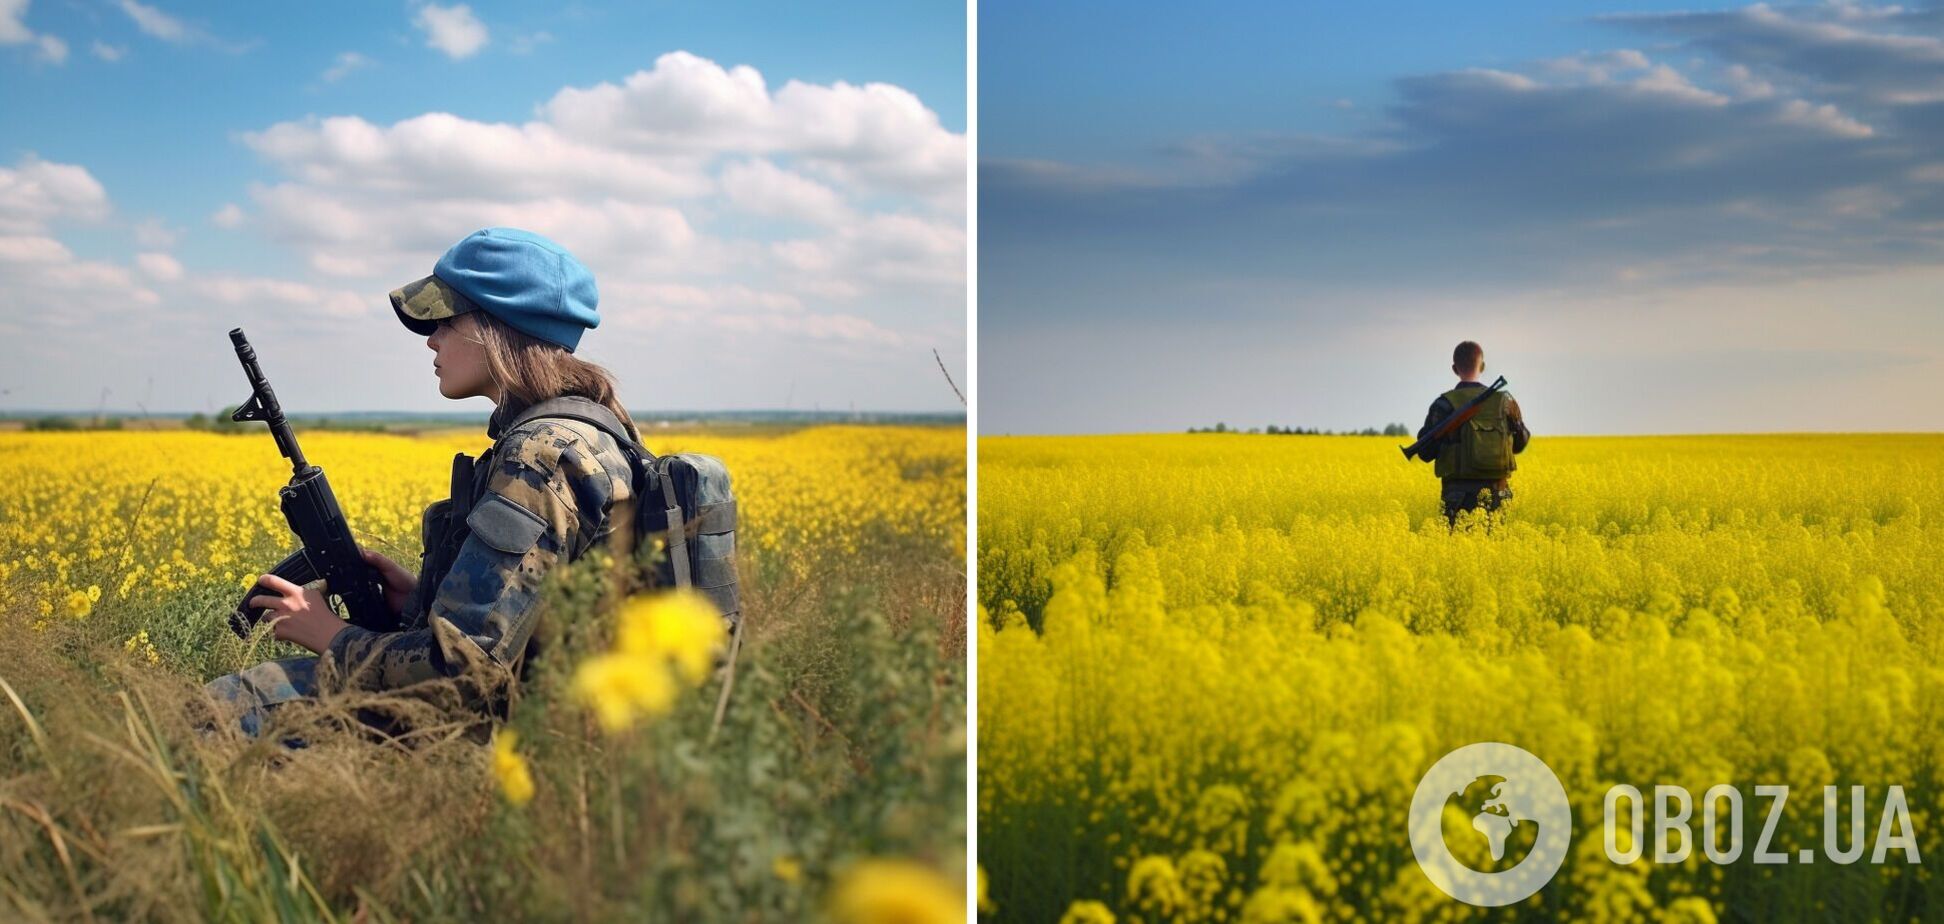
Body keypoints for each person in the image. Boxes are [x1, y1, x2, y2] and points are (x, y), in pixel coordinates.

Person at [205, 227, 646, 738]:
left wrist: (331, 635)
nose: (432, 339)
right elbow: (529, 624)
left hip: (529, 747)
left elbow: (461, 675)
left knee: (236, 707)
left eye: (446, 320)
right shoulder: (585, 434)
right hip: (559, 719)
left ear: (497, 325)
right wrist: (417, 602)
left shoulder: (540, 457)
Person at [1414, 340, 1529, 526]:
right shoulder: (1505, 401)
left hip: (1457, 496)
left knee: (1454, 552)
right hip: (1498, 493)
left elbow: (1425, 453)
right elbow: (1520, 444)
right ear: (1482, 366)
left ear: (1454, 369)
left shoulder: (1443, 405)